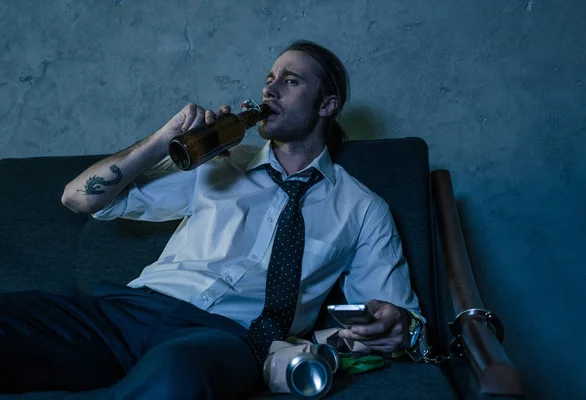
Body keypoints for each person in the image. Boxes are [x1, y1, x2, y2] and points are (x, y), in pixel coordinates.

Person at [0, 40, 423, 399]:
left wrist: (392, 325)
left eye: (290, 81)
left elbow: (398, 323)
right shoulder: (215, 164)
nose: (270, 90)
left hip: (225, 338)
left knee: (178, 371)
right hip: (129, 311)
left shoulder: (363, 209)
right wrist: (165, 139)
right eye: (269, 78)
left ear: (327, 104)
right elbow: (78, 198)